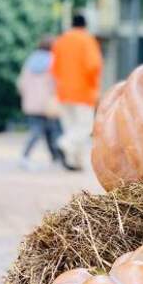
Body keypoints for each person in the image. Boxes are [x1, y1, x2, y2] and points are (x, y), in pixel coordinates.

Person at [51, 12, 103, 171]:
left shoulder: (60, 41)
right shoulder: (87, 40)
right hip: (83, 92)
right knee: (84, 128)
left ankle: (75, 162)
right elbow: (93, 65)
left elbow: (53, 68)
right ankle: (64, 144)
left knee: (71, 127)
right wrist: (95, 86)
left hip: (63, 92)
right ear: (85, 25)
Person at [17, 36, 64, 169]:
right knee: (52, 131)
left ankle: (54, 159)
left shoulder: (30, 60)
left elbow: (21, 83)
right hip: (47, 104)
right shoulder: (53, 61)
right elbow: (55, 83)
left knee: (39, 131)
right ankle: (53, 159)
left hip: (31, 103)